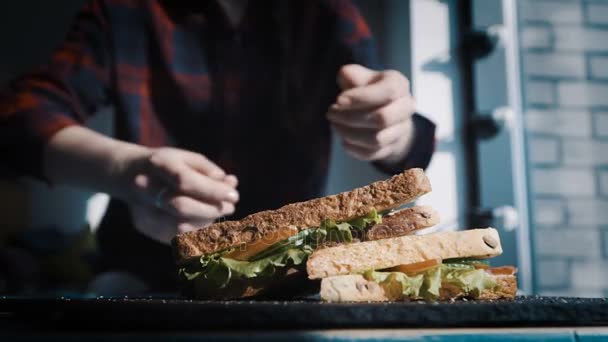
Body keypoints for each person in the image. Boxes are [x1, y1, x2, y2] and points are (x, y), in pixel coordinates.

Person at [0, 0, 435, 293]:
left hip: (291, 278)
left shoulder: (326, 14)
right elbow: (16, 119)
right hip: (144, 273)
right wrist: (127, 171)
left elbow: (410, 147)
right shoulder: (125, 11)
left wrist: (392, 131)